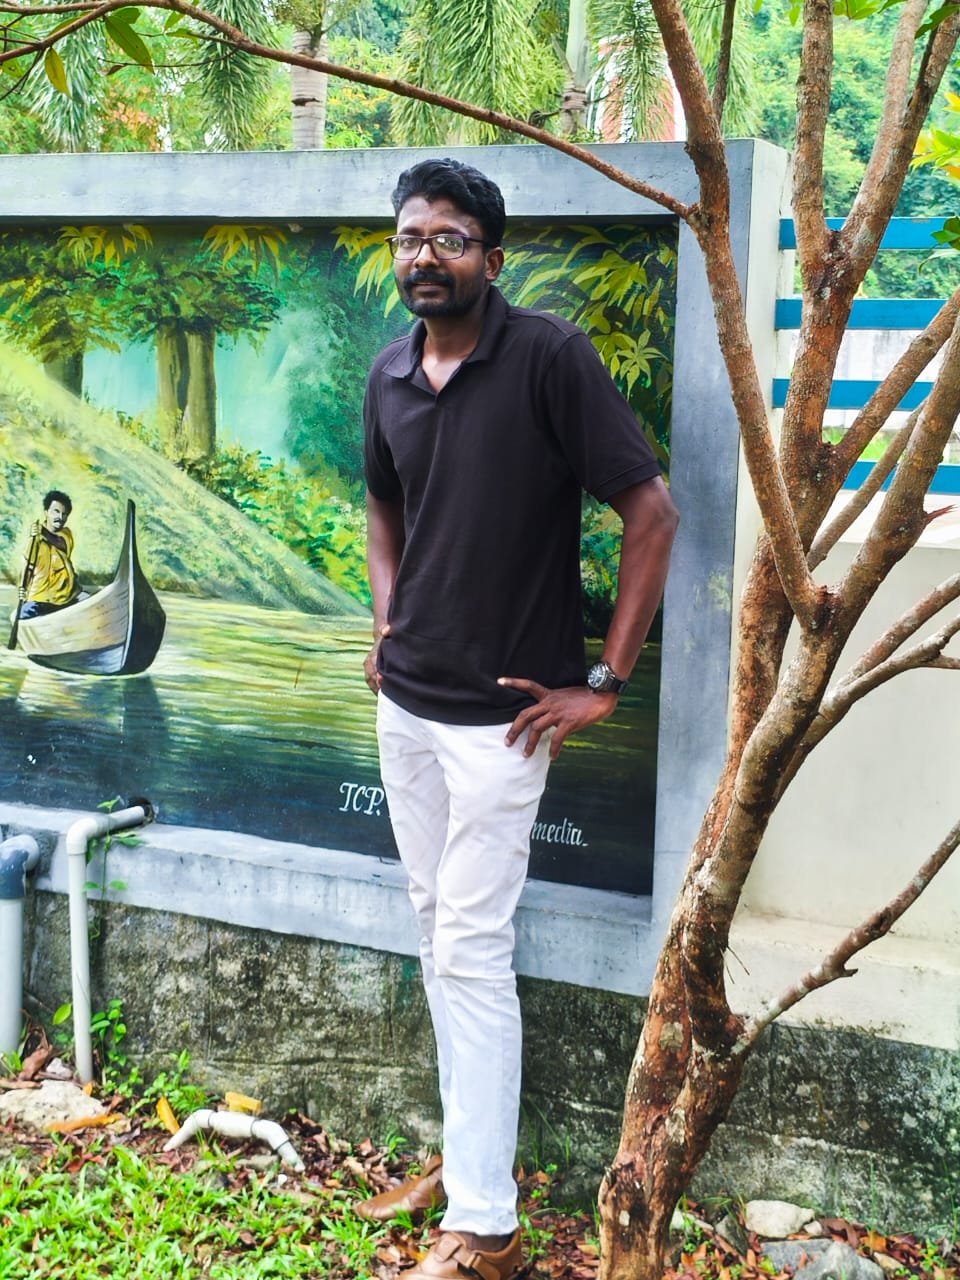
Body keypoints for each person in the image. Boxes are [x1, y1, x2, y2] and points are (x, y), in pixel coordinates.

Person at [356, 158, 679, 1280]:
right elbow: (383, 507)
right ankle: (468, 1161)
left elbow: (651, 511)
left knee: (470, 947)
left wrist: (607, 679)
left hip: (504, 726)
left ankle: (486, 1227)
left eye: (450, 239)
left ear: (492, 258)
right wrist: (388, 626)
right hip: (407, 708)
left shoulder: (550, 357)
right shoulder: (390, 372)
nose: (425, 255)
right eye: (411, 237)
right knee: (436, 931)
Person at [17, 490, 85, 620]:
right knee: (23, 615)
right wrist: (22, 589)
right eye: (56, 511)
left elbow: (59, 542)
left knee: (89, 600)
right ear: (46, 512)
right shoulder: (35, 540)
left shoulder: (66, 536)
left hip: (67, 597)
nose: (60, 517)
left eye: (64, 514)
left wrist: (42, 532)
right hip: (40, 599)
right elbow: (28, 567)